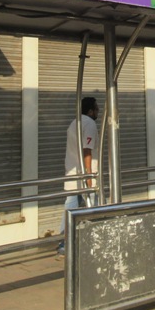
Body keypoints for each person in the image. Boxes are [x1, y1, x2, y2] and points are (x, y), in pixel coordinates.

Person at [57, 96, 99, 255]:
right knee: (97, 205)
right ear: (90, 110)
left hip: (72, 173)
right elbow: (86, 150)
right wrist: (89, 176)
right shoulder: (89, 123)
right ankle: (98, 238)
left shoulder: (74, 123)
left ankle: (64, 242)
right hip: (85, 174)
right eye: (96, 108)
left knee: (70, 207)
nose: (98, 111)